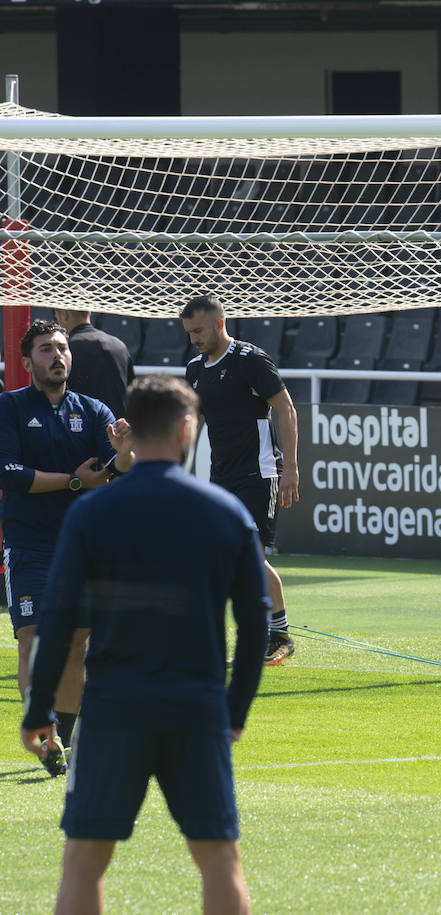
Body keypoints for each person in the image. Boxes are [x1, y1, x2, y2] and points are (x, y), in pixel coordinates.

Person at [20, 374, 270, 915]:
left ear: (129, 434)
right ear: (187, 429)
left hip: (113, 708)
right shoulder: (226, 513)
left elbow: (59, 621)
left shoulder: (92, 512)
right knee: (219, 861)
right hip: (196, 707)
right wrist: (235, 709)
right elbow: (256, 626)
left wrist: (39, 710)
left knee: (84, 861)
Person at [0, 320, 134, 776]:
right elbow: (11, 475)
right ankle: (45, 730)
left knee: (77, 645)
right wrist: (75, 481)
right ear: (27, 361)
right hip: (30, 544)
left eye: (61, 348)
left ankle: (64, 743)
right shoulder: (11, 407)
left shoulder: (93, 410)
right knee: (34, 641)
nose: (57, 355)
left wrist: (125, 453)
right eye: (45, 349)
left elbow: (113, 469)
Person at [181, 294, 299, 665]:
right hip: (221, 475)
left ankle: (278, 634)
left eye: (198, 330)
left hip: (258, 471)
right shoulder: (196, 368)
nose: (194, 339)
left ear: (219, 323)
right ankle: (254, 635)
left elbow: (285, 407)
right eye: (188, 333)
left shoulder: (251, 360)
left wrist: (291, 468)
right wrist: (179, 472)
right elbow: (194, 423)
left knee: (249, 553)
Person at [54, 308, 135, 419]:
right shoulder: (119, 346)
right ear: (89, 312)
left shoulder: (67, 350)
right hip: (118, 429)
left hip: (80, 426)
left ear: (65, 314)